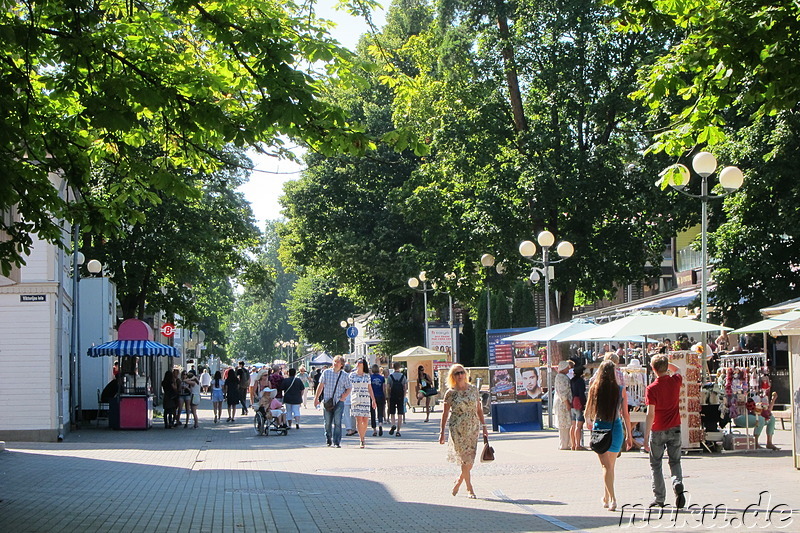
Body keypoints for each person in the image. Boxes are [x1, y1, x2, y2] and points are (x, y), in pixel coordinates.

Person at [585, 360, 632, 511]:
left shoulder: (595, 388)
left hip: (600, 429)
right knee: (610, 467)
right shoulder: (619, 390)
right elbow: (625, 413)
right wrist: (629, 434)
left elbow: (588, 411)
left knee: (606, 467)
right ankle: (606, 498)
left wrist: (588, 423)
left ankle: (612, 499)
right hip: (616, 427)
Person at [439, 363, 488, 499]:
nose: (460, 375)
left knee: (470, 460)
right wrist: (442, 432)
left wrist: (484, 426)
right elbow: (445, 413)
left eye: (462, 372)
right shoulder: (451, 393)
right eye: (457, 373)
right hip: (457, 429)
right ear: (452, 376)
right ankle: (469, 488)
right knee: (464, 459)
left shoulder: (473, 389)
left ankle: (459, 480)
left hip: (473, 427)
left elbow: (479, 409)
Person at [644, 354, 685, 509]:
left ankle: (659, 498)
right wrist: (668, 364)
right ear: (666, 367)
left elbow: (650, 413)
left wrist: (647, 433)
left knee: (656, 464)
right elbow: (679, 369)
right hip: (675, 426)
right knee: (675, 461)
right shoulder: (675, 381)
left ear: (653, 369)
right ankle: (677, 482)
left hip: (658, 428)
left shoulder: (651, 388)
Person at [314, 355, 352, 448]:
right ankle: (328, 438)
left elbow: (349, 388)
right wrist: (316, 398)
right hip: (327, 401)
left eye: (338, 362)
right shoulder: (326, 373)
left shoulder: (345, 375)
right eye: (334, 361)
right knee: (327, 422)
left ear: (342, 365)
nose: (335, 363)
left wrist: (344, 396)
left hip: (339, 401)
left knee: (337, 422)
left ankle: (337, 441)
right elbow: (320, 385)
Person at [349, 359, 377, 448]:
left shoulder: (367, 376)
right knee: (359, 419)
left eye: (360, 362)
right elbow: (348, 386)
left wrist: (373, 400)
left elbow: (370, 388)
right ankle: (361, 439)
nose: (358, 364)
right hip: (356, 399)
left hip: (365, 399)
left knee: (365, 420)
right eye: (357, 362)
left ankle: (363, 436)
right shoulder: (352, 375)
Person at [554, 360, 574, 450]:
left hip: (563, 403)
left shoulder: (561, 376)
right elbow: (562, 392)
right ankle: (565, 444)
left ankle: (566, 443)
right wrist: (567, 403)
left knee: (565, 424)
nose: (568, 369)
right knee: (565, 424)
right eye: (567, 367)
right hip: (563, 404)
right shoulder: (561, 378)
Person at [387, 362, 407, 437]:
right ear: (399, 367)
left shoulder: (390, 377)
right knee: (400, 413)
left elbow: (388, 387)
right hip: (400, 396)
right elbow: (405, 387)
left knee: (392, 412)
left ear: (393, 367)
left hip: (393, 396)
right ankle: (398, 430)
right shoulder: (403, 377)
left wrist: (389, 395)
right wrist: (404, 395)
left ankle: (393, 424)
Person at [570, 366, 587, 450]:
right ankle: (578, 445)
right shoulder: (580, 381)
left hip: (573, 401)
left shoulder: (572, 380)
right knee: (579, 425)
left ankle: (573, 444)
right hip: (578, 402)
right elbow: (581, 393)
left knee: (573, 425)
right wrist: (584, 403)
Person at [369, 364, 386, 437]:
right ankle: (380, 424)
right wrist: (384, 396)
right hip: (380, 396)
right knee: (380, 411)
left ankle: (374, 430)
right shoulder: (382, 378)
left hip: (372, 396)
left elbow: (369, 388)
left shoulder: (370, 377)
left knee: (372, 413)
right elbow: (384, 388)